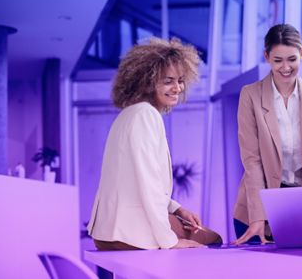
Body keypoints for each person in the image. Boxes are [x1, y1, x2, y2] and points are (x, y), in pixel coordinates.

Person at [87, 37, 221, 250]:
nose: (177, 88)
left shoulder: (128, 115)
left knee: (203, 235)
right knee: (213, 240)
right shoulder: (146, 115)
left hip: (108, 233)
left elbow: (135, 181)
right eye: (168, 81)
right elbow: (147, 183)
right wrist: (170, 242)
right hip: (129, 234)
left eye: (180, 80)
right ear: (147, 82)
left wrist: (177, 209)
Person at [234, 24, 302, 244]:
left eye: (292, 59)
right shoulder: (250, 95)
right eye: (278, 60)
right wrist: (258, 216)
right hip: (258, 209)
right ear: (266, 57)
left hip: (300, 205)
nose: (286, 67)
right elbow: (252, 161)